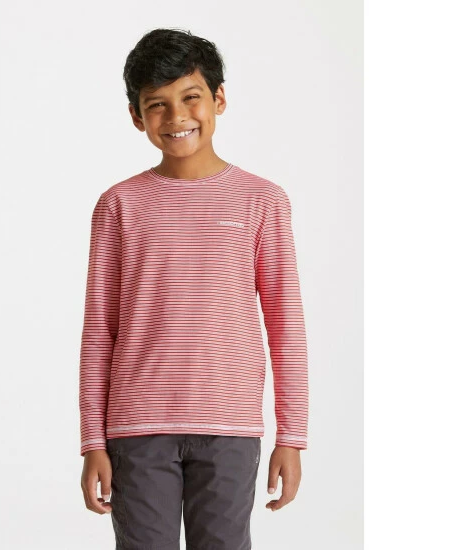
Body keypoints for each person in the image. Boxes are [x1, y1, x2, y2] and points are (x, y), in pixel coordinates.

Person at [79, 27, 309, 549]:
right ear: (136, 116)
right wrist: (93, 440)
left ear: (218, 99)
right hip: (137, 428)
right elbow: (99, 331)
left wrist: (291, 435)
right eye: (156, 105)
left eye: (190, 97)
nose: (176, 116)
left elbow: (285, 324)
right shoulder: (119, 205)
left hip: (230, 426)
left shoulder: (262, 201)